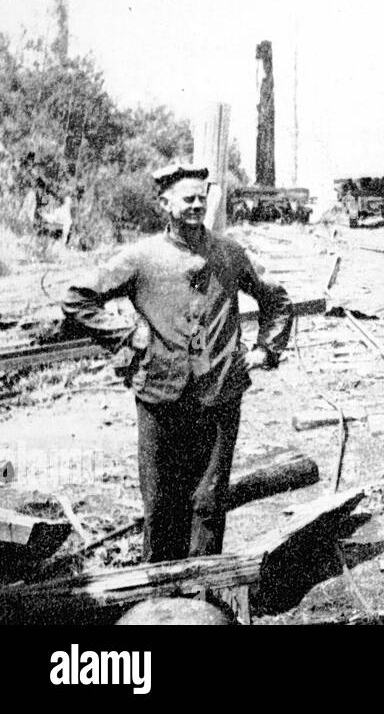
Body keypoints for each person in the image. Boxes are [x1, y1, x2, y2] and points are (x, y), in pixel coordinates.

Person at [63, 163, 292, 562]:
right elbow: (77, 299)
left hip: (219, 394)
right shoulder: (141, 257)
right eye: (188, 198)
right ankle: (159, 597)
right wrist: (124, 336)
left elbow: (277, 301)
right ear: (164, 204)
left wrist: (264, 351)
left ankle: (204, 596)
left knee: (208, 500)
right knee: (161, 504)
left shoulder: (229, 253)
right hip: (159, 396)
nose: (196, 205)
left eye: (202, 198)